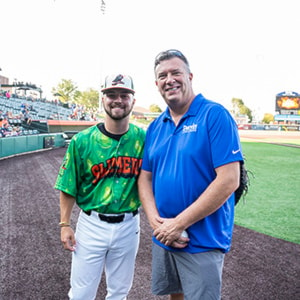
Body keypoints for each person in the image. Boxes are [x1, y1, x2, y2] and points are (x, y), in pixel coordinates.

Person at [138, 49, 244, 300]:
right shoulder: (156, 126)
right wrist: (156, 222)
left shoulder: (214, 115)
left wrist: (178, 224)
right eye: (162, 75)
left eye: (176, 72)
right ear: (156, 84)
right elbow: (145, 177)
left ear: (190, 76)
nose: (169, 79)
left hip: (201, 240)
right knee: (175, 296)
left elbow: (229, 179)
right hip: (165, 236)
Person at [54, 74, 145, 300]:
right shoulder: (82, 141)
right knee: (81, 294)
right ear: (102, 99)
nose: (118, 100)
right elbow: (68, 186)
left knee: (119, 293)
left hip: (129, 225)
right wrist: (65, 224)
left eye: (124, 95)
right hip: (91, 224)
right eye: (111, 95)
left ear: (132, 100)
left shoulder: (144, 139)